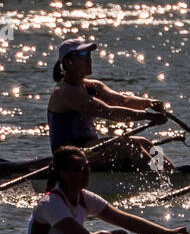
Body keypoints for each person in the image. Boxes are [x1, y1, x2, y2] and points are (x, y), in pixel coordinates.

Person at [25, 144, 189, 234]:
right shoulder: (51, 203)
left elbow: (128, 221)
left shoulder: (84, 198)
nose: (86, 173)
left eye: (87, 167)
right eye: (79, 169)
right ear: (63, 173)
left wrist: (168, 232)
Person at [48, 38, 171, 171]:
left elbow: (123, 101)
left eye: (89, 54)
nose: (89, 59)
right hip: (69, 155)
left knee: (145, 143)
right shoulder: (65, 91)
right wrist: (149, 117)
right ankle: (161, 182)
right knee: (128, 145)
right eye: (83, 55)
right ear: (68, 62)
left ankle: (174, 174)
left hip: (89, 147)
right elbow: (109, 112)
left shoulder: (92, 86)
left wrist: (149, 103)